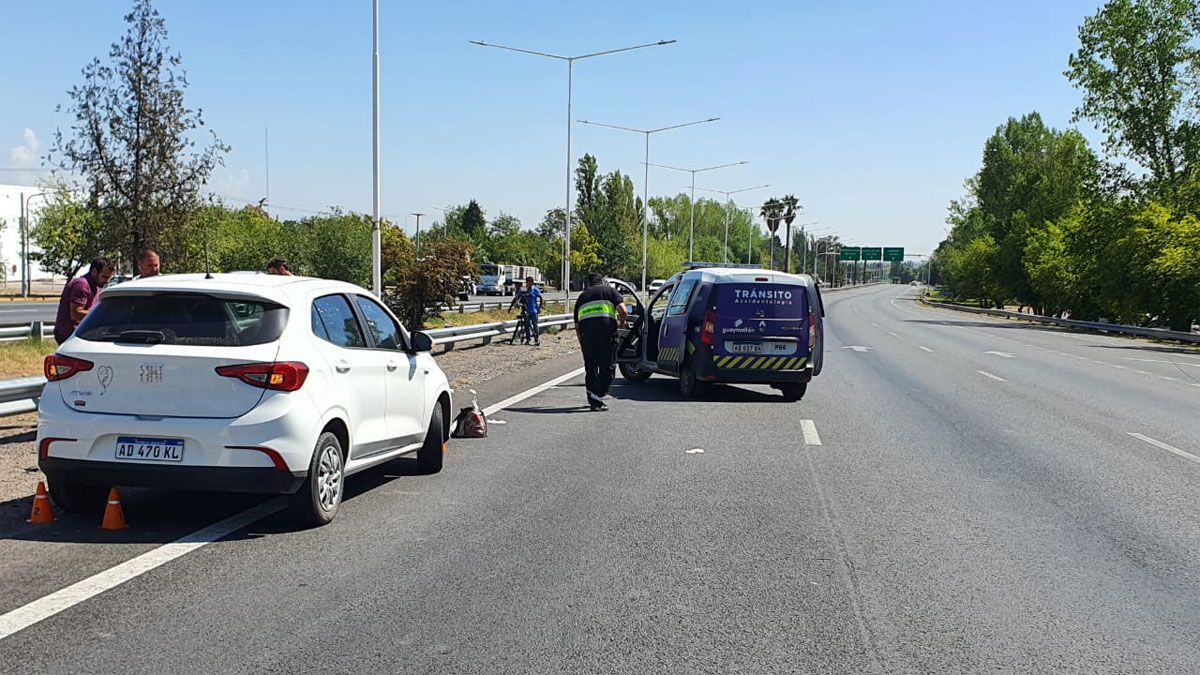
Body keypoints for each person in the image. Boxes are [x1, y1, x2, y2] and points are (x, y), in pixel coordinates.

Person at [573, 273, 627, 411]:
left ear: (588, 284)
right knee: (608, 368)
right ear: (602, 281)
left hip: (588, 338)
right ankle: (597, 397)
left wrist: (581, 342)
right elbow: (623, 311)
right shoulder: (609, 291)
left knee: (591, 369)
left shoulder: (582, 297)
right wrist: (621, 324)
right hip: (607, 336)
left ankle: (593, 399)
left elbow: (577, 324)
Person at [54, 257, 116, 345]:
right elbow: (76, 314)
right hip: (71, 336)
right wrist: (103, 315)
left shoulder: (96, 286)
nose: (107, 281)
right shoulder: (82, 285)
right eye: (104, 277)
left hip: (83, 334)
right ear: (94, 272)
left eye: (109, 278)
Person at [509, 276, 544, 346]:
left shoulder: (535, 289)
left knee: (535, 325)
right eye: (527, 283)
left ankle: (536, 339)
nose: (528, 285)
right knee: (526, 326)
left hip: (534, 311)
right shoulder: (523, 289)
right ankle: (528, 339)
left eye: (530, 283)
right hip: (526, 310)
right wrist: (511, 307)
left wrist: (539, 307)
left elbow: (541, 298)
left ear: (532, 283)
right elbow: (516, 298)